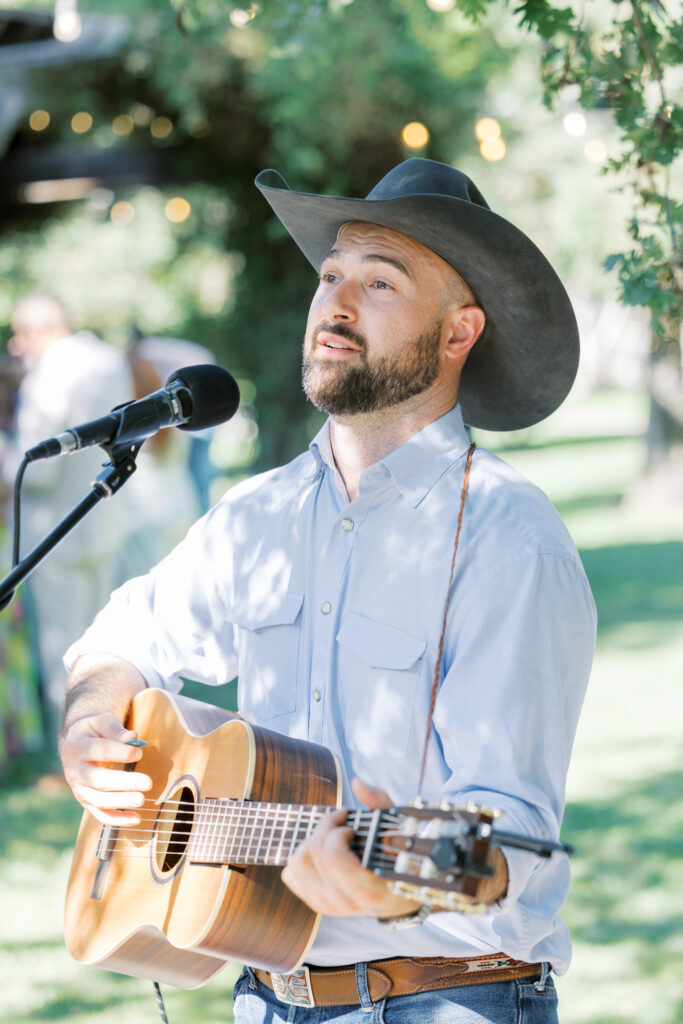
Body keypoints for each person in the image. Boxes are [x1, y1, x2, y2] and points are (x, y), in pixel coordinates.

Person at [59, 159, 596, 1024]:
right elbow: (124, 634)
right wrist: (92, 720)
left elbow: (506, 834)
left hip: (444, 1001)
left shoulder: (508, 536)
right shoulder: (256, 517)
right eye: (331, 276)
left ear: (458, 332)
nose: (336, 305)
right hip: (264, 996)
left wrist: (393, 884)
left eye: (380, 282)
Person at [2, 292, 135, 746]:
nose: (17, 347)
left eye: (20, 335)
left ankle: (73, 751)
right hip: (104, 519)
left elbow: (36, 469)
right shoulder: (107, 358)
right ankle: (109, 733)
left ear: (41, 329)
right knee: (102, 642)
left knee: (62, 649)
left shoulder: (49, 373)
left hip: (55, 530)